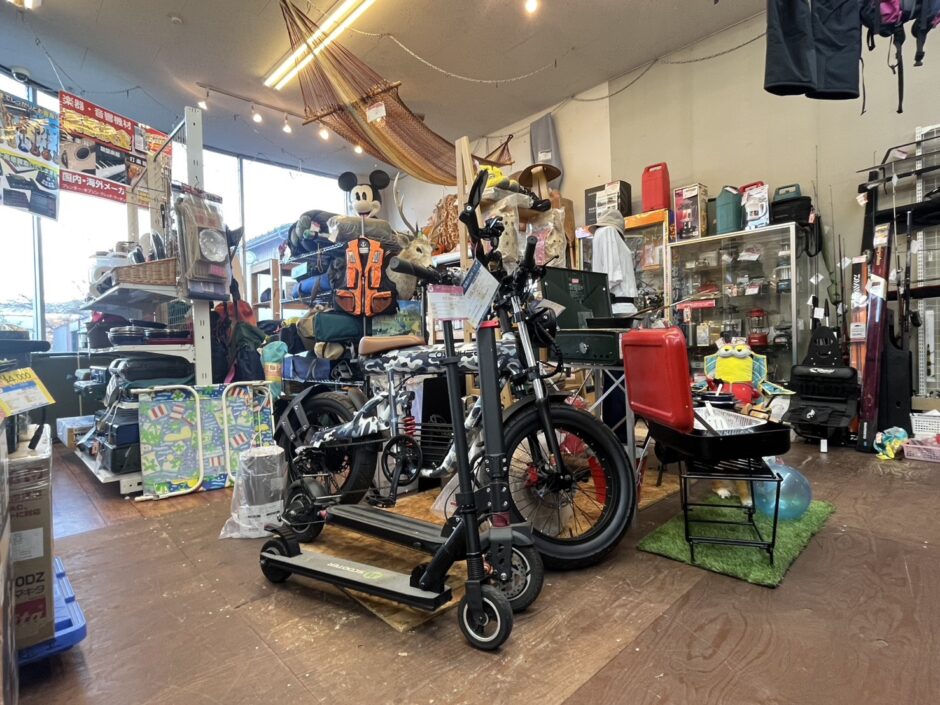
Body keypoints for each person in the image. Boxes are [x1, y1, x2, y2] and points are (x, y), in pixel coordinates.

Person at [590, 208, 637, 316]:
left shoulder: (602, 233)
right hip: (618, 307)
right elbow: (612, 275)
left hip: (618, 306)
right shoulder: (608, 231)